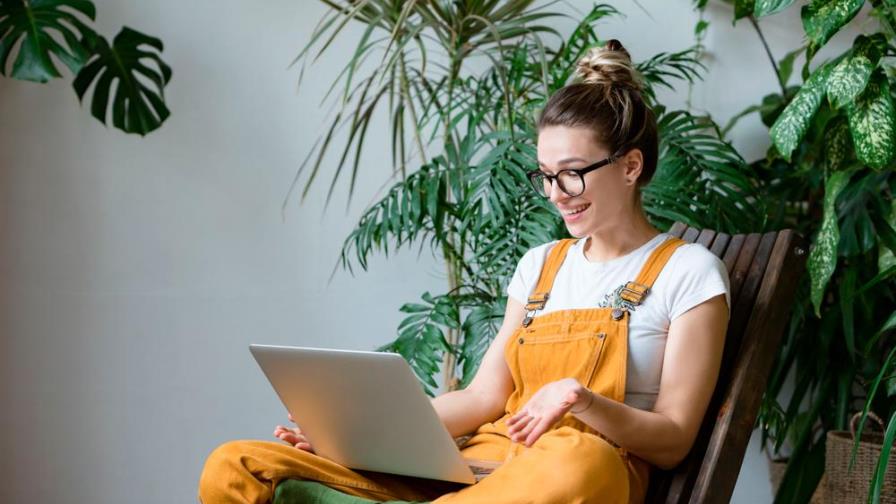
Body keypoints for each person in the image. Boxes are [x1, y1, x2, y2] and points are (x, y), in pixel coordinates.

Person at [198, 39, 730, 504]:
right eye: (544, 176)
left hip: (573, 474)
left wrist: (584, 403)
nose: (554, 195)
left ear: (631, 166)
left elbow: (674, 438)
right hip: (485, 468)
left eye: (571, 175)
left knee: (578, 459)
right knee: (235, 464)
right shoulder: (540, 265)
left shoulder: (688, 273)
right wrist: (354, 437)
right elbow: (482, 398)